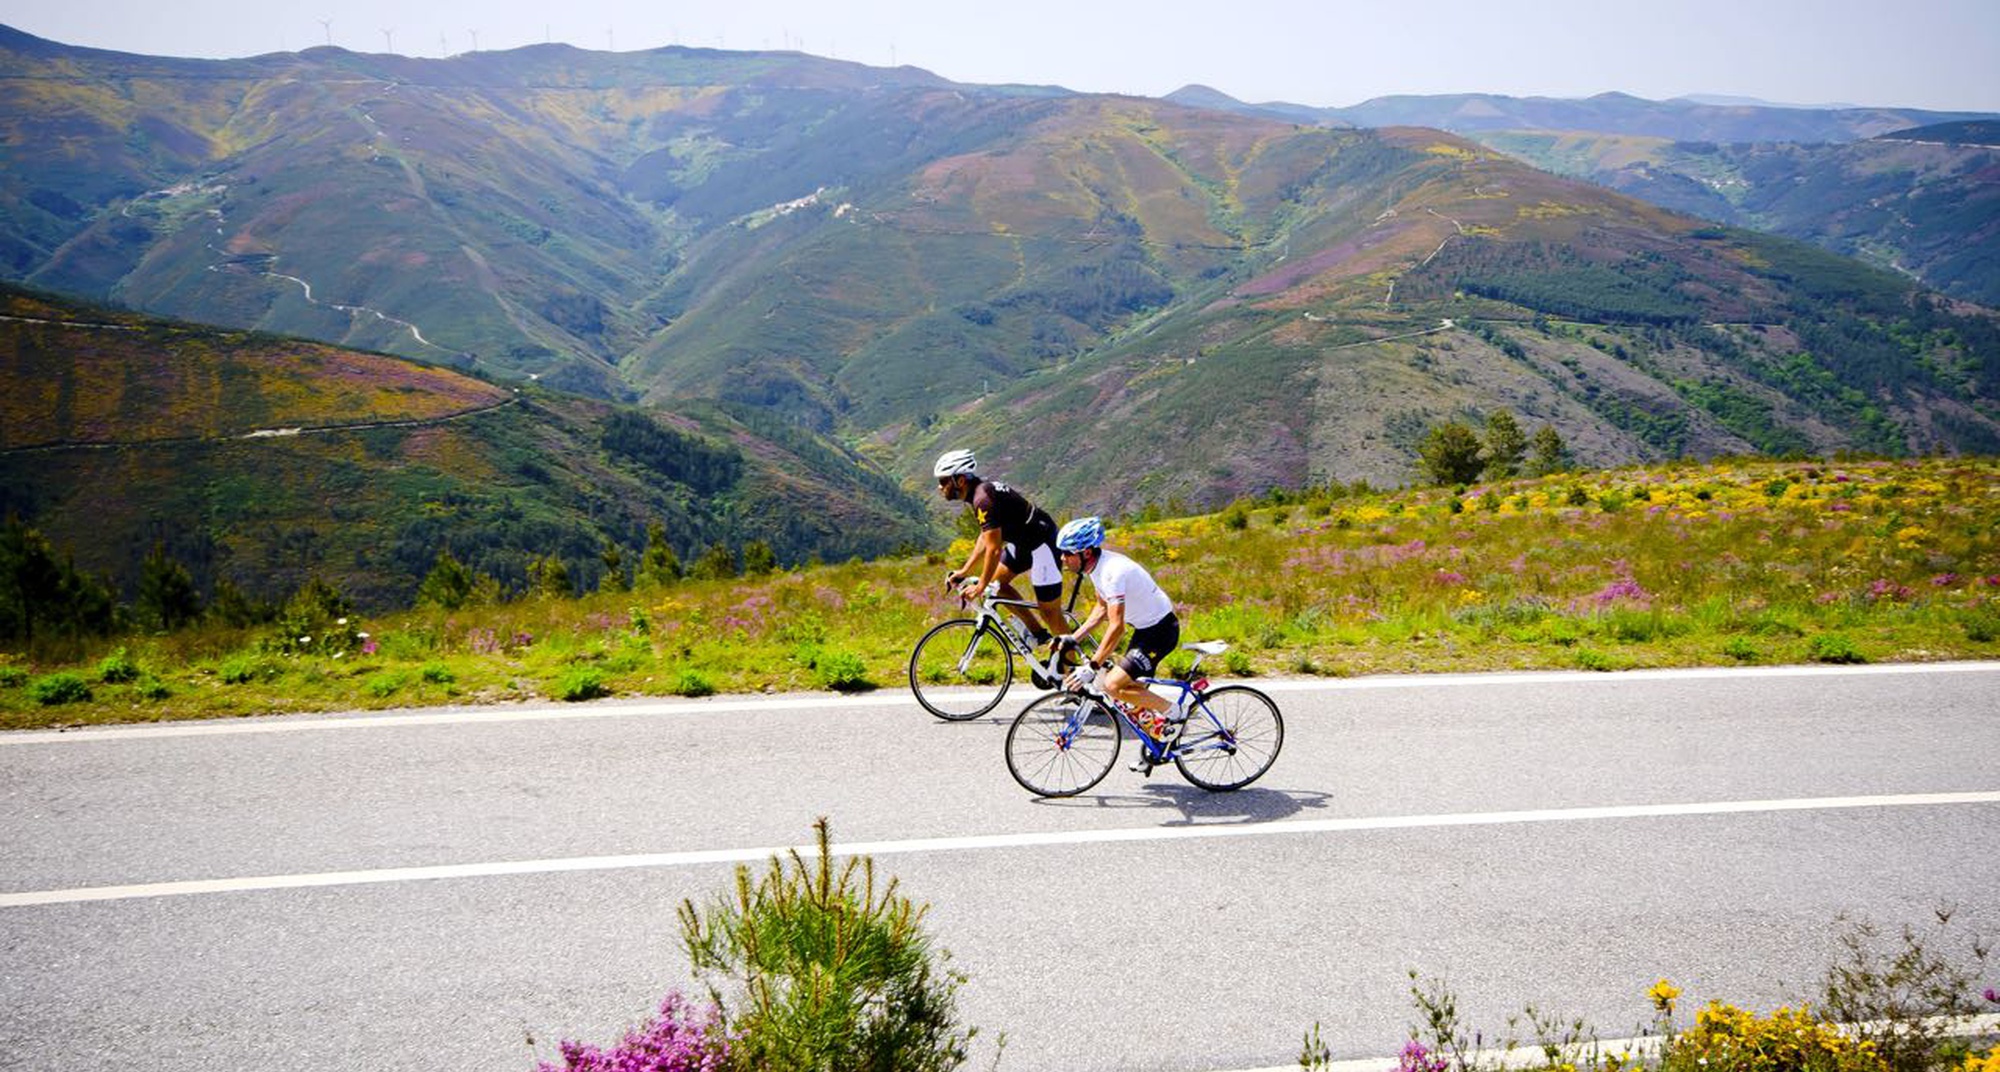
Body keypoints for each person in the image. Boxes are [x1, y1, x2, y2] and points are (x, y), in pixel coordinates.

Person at [1053, 516, 1185, 742]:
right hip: (1145, 631)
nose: (1063, 559)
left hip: (1160, 632)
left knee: (1112, 685)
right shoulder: (1095, 568)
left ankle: (1175, 713)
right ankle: (1158, 746)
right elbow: (1101, 609)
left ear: (1086, 553)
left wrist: (1092, 666)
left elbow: (1117, 627)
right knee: (1131, 697)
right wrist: (1072, 638)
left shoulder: (1112, 572)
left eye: (1068, 553)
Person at [933, 449, 1067, 648]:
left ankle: (1072, 669)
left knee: (1049, 612)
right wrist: (965, 571)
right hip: (1023, 543)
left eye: (944, 481)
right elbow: (986, 537)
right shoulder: (979, 493)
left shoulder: (982, 499)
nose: (939, 487)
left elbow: (994, 550)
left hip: (1042, 545)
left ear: (960, 480)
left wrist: (979, 587)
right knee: (997, 586)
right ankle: (1038, 634)